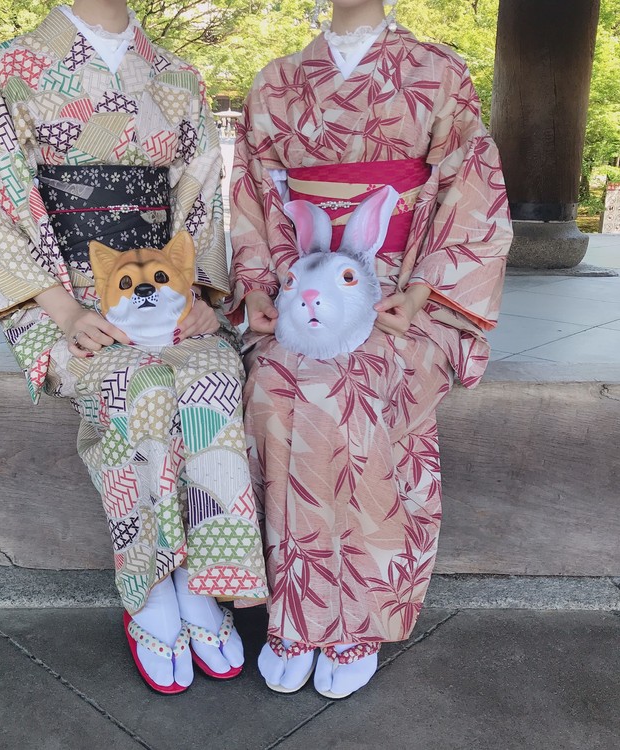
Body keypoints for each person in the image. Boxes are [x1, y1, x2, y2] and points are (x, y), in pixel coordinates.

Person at [0, 0, 268, 694]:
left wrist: (199, 298)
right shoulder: (14, 65)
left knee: (215, 373)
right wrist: (65, 308)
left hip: (166, 286)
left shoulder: (175, 74)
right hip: (64, 294)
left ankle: (201, 577)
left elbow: (196, 198)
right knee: (142, 386)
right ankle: (152, 587)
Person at [228, 0, 512, 699]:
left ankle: (357, 615)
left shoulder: (436, 70)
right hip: (305, 290)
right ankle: (297, 610)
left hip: (399, 291)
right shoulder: (276, 80)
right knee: (273, 383)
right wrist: (263, 287)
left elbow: (470, 191)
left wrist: (419, 293)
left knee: (354, 385)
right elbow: (253, 199)